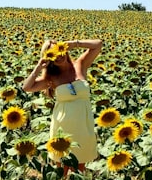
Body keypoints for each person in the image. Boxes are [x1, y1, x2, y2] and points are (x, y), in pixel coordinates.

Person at [22, 38, 103, 172]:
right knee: (62, 169)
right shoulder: (51, 78)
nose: (58, 55)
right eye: (52, 54)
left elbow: (98, 44)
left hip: (83, 125)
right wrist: (38, 68)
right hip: (63, 127)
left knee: (79, 168)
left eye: (59, 50)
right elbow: (27, 87)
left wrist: (74, 44)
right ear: (49, 58)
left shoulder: (80, 65)